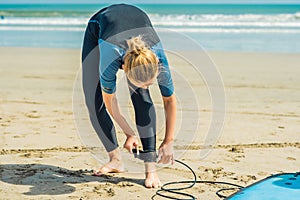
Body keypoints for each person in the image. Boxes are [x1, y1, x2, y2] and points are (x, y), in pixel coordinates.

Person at [81, 4, 176, 188]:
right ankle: (115, 160)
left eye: (151, 82)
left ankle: (151, 169)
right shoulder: (110, 59)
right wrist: (129, 133)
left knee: (141, 96)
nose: (148, 85)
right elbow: (110, 103)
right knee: (93, 101)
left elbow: (169, 100)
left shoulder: (158, 57)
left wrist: (168, 141)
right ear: (124, 68)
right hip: (99, 27)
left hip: (137, 22)